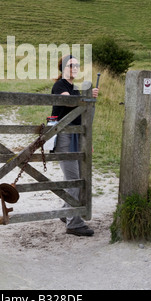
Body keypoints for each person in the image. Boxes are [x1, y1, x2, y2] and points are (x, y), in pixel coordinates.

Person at [51, 54, 99, 237]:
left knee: (78, 178)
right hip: (64, 138)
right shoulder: (60, 86)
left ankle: (66, 212)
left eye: (77, 65)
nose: (75, 68)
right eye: (70, 65)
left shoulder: (74, 88)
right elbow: (70, 103)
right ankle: (74, 223)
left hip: (77, 138)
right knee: (74, 180)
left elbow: (83, 117)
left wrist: (87, 142)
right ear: (63, 68)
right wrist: (87, 97)